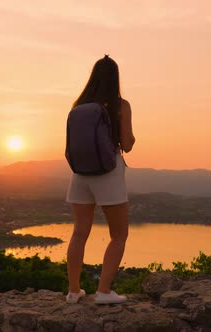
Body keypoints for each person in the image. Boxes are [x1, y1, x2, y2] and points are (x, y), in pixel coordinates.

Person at [65, 55, 136, 304]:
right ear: (115, 77)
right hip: (108, 172)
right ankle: (104, 292)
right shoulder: (120, 105)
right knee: (119, 235)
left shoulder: (79, 104)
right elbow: (126, 144)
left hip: (80, 174)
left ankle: (73, 291)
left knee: (79, 233)